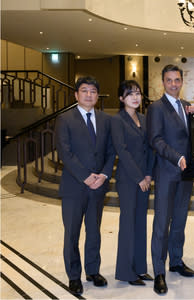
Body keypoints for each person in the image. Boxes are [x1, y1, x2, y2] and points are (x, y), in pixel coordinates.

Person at [55, 76, 115, 296]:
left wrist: (104, 175)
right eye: (84, 91)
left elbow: (110, 151)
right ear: (76, 94)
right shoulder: (65, 119)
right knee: (72, 233)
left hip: (98, 187)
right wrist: (85, 176)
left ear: (98, 96)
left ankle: (92, 271)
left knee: (94, 232)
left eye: (93, 91)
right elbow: (65, 152)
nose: (89, 95)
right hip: (74, 187)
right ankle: (73, 276)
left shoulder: (106, 120)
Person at [147, 64, 194, 295]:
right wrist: (176, 157)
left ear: (182, 81)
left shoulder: (187, 107)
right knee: (162, 224)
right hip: (167, 172)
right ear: (163, 82)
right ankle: (159, 271)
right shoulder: (156, 108)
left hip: (186, 175)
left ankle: (176, 261)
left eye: (177, 80)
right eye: (169, 80)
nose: (174, 84)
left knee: (179, 221)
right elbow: (156, 140)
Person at [111, 80, 154, 286]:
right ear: (121, 98)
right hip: (128, 180)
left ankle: (140, 268)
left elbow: (150, 149)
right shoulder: (117, 120)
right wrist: (138, 177)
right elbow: (122, 151)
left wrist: (148, 175)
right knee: (128, 224)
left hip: (144, 179)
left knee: (140, 223)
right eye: (130, 94)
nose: (135, 97)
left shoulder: (145, 119)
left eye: (137, 93)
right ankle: (126, 272)